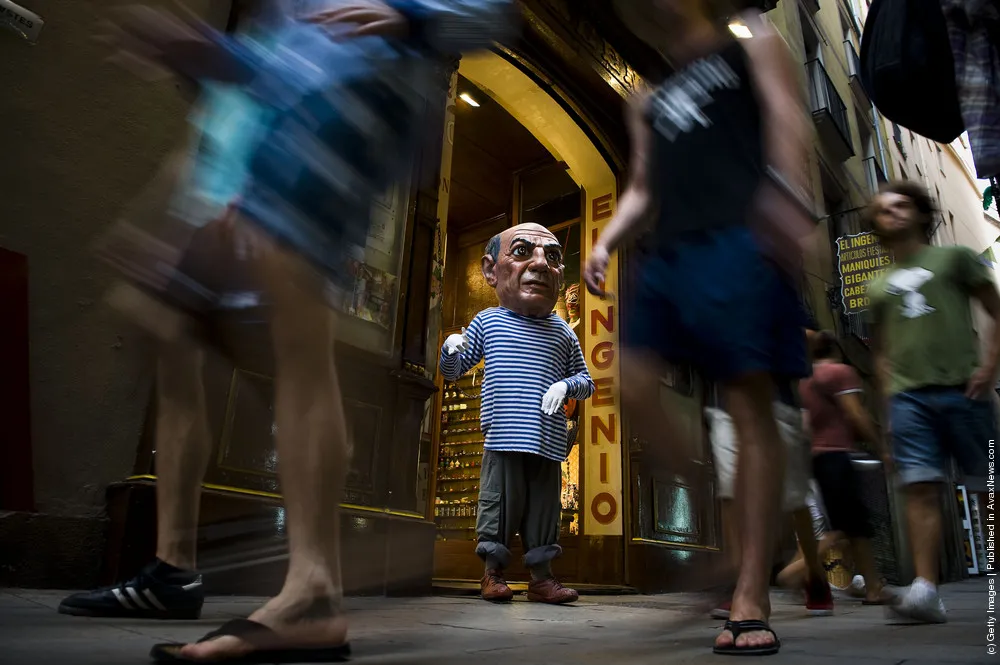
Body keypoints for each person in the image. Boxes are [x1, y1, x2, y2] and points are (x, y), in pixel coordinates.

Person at [60, 2, 514, 662]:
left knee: (290, 307)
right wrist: (217, 56)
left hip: (350, 99)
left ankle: (312, 591)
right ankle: (206, 572)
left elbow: (492, 12)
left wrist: (407, 11)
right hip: (290, 106)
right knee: (174, 315)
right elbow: (288, 49)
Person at [586, 0, 816, 655]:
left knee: (748, 408)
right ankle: (709, 510)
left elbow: (784, 118)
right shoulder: (646, 97)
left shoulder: (753, 41)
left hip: (739, 237)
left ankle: (751, 589)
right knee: (629, 383)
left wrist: (786, 193)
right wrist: (605, 241)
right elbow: (640, 185)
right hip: (670, 253)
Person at [867, 180, 1000, 624]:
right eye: (884, 209)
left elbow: (993, 307)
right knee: (920, 488)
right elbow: (881, 352)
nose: (893, 212)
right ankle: (926, 590)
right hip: (908, 398)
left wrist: (989, 366)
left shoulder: (954, 259)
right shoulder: (877, 286)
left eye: (902, 204)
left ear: (923, 213)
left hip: (966, 388)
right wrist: (887, 413)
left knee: (989, 484)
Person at [440, 224, 595, 605]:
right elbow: (453, 371)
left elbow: (587, 381)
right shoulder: (488, 322)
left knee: (545, 511)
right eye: (523, 251)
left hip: (548, 441)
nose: (541, 264)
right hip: (504, 436)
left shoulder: (563, 333)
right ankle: (491, 574)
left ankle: (542, 580)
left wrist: (565, 386)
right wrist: (448, 349)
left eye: (553, 256)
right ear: (492, 270)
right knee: (498, 504)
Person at [704, 383, 834, 619]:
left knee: (794, 497)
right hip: (726, 401)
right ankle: (739, 584)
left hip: (778, 400)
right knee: (730, 491)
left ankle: (815, 574)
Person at [798, 330, 892, 605]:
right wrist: (881, 444)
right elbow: (855, 412)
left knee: (845, 525)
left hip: (817, 457)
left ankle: (869, 583)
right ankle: (796, 574)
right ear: (837, 351)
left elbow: (805, 425)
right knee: (852, 525)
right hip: (837, 456)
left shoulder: (805, 380)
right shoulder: (839, 373)